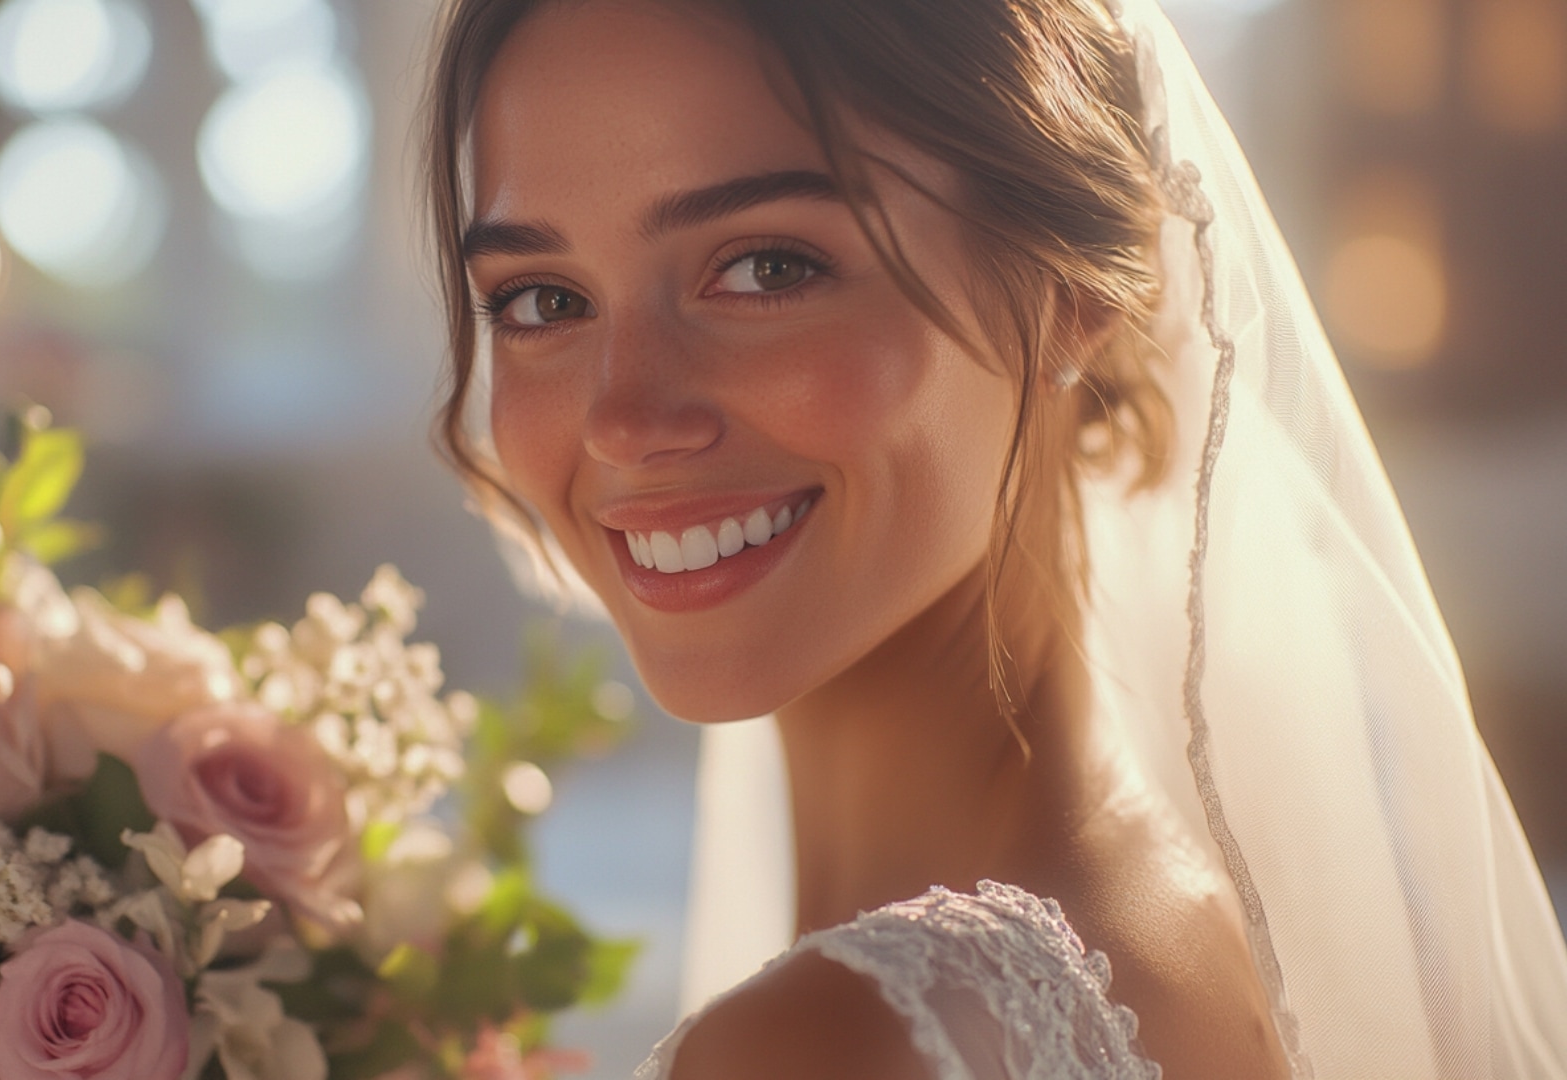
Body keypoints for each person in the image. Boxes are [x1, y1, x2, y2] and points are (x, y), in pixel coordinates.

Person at [421, 0, 1567, 1076]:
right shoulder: (1165, 917)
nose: (624, 421)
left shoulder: (831, 1043)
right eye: (542, 300)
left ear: (1073, 291)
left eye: (767, 269)